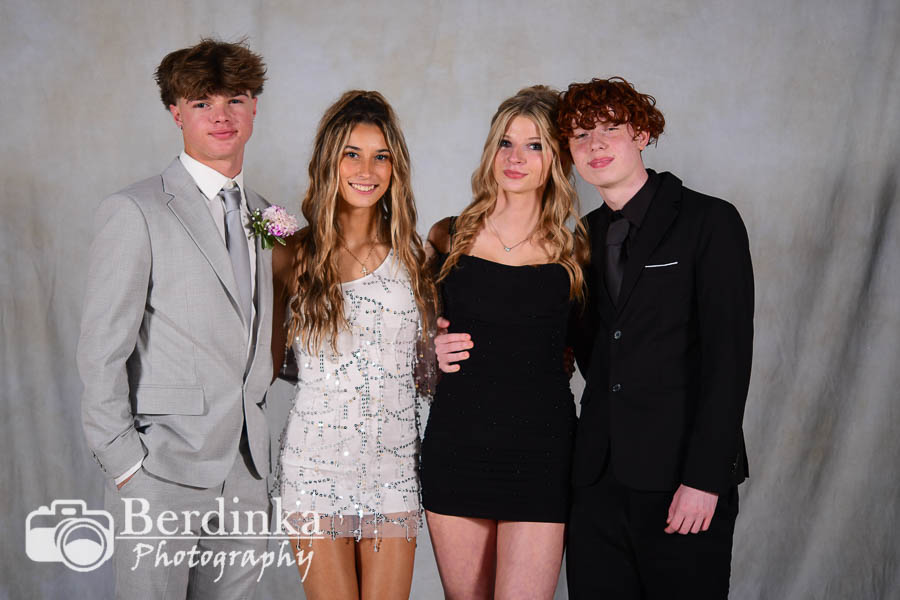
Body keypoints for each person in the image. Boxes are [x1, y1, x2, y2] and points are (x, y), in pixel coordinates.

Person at [436, 76, 755, 599]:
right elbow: (559, 341)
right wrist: (436, 341)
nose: (596, 144)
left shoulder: (709, 221)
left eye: (610, 129)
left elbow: (729, 360)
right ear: (570, 153)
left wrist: (706, 477)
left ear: (642, 134)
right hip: (595, 484)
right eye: (581, 135)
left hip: (681, 479)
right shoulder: (581, 239)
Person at [77, 39, 273, 598]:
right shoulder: (135, 211)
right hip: (160, 470)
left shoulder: (267, 215)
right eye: (202, 102)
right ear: (176, 112)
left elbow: (268, 338)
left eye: (235, 100)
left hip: (246, 472)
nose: (221, 115)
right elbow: (101, 351)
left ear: (254, 108)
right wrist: (125, 465)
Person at [421, 85, 588, 600]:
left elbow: (597, 353)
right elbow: (409, 335)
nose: (516, 158)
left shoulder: (577, 250)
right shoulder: (448, 236)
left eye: (534, 145)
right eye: (505, 143)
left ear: (557, 158)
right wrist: (428, 347)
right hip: (458, 445)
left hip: (542, 453)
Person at [271, 90, 437, 600]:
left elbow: (429, 367)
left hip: (394, 469)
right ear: (329, 161)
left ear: (395, 167)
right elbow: (265, 360)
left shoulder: (416, 257)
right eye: (352, 154)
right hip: (314, 468)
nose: (367, 170)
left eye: (380, 156)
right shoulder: (291, 254)